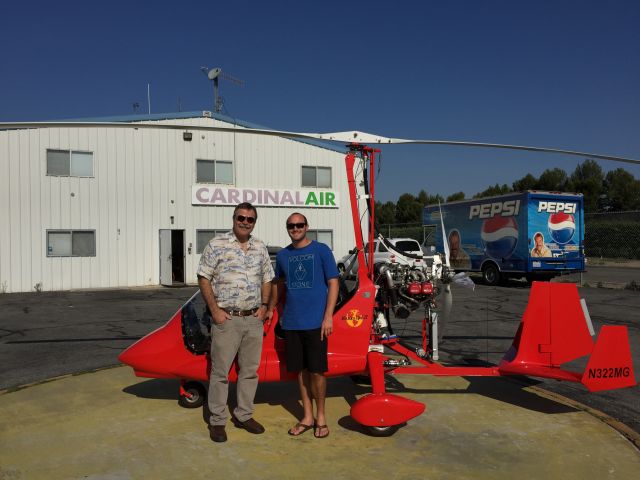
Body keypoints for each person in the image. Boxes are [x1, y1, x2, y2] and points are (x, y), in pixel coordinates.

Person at [197, 202, 274, 443]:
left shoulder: (260, 247)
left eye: (250, 219)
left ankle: (243, 415)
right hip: (226, 319)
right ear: (233, 218)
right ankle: (218, 421)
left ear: (254, 222)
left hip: (253, 319)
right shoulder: (216, 245)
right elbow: (203, 278)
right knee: (220, 373)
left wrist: (264, 306)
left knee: (250, 372)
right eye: (241, 217)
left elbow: (267, 278)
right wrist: (215, 310)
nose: (245, 222)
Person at [269, 213, 339, 439]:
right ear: (287, 228)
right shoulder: (282, 256)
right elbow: (279, 286)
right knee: (300, 372)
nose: (295, 228)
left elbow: (333, 283)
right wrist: (271, 308)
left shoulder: (321, 250)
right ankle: (307, 416)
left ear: (307, 227)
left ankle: (321, 417)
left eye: (299, 225)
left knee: (317, 372)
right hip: (292, 322)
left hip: (316, 323)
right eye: (291, 225)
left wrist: (328, 316)